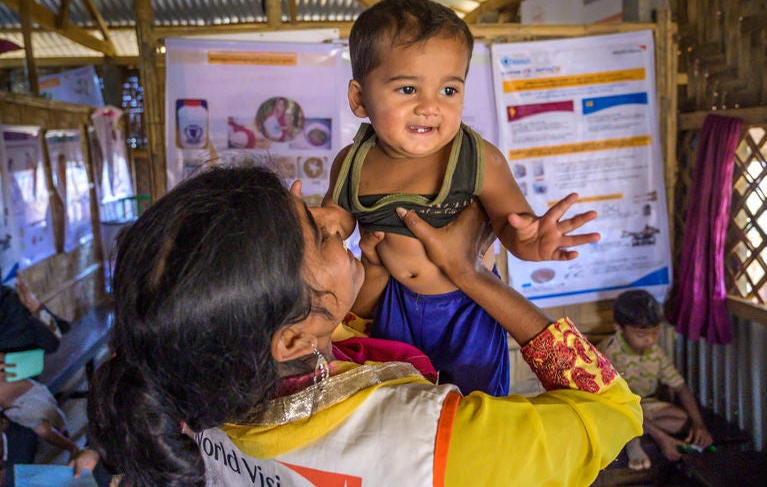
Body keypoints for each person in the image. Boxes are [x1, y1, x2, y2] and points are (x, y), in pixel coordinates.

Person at [87, 165, 641, 486]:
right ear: (292, 339)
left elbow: (346, 335)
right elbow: (612, 410)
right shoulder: (432, 442)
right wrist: (470, 275)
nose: (337, 216)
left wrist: (371, 274)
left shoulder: (200, 390)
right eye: (317, 232)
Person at [322, 0, 600, 396]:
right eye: (407, 88)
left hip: (469, 307)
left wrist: (530, 241)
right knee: (402, 400)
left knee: (476, 401)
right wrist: (323, 222)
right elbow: (340, 217)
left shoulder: (476, 159)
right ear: (360, 99)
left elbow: (511, 224)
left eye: (449, 89)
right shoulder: (352, 162)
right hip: (393, 304)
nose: (430, 107)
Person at [598, 289, 714, 470]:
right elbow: (612, 403)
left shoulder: (655, 352)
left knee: (683, 420)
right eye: (641, 335)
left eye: (655, 333)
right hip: (614, 408)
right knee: (620, 415)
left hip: (643, 407)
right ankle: (635, 441)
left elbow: (680, 387)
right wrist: (663, 439)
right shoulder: (609, 353)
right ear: (619, 328)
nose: (650, 340)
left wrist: (700, 425)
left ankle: (634, 433)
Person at [0, 275, 97, 479]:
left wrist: (35, 306)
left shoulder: (10, 301)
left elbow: (55, 339)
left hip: (21, 404)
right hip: (18, 404)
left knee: (17, 467)